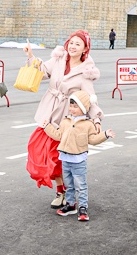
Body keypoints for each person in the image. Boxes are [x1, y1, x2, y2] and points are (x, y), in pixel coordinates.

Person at [24, 30, 103, 209]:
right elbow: (42, 71)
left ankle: (63, 192)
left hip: (66, 118)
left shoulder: (86, 71)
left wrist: (96, 120)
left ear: (85, 49)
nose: (73, 46)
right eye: (72, 42)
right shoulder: (59, 59)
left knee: (57, 157)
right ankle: (63, 190)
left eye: (78, 44)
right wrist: (31, 55)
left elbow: (90, 98)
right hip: (48, 112)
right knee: (38, 149)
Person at [44, 90, 115, 222]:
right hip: (65, 158)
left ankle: (83, 207)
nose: (72, 109)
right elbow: (58, 135)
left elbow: (93, 139)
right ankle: (71, 205)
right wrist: (47, 126)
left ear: (83, 107)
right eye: (71, 106)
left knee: (80, 184)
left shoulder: (88, 124)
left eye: (75, 106)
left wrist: (105, 134)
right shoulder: (65, 122)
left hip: (78, 160)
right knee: (68, 184)